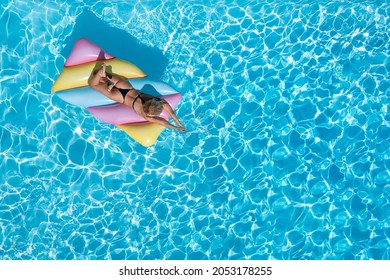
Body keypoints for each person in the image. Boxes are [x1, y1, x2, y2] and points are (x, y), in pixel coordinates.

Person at [88, 63, 186, 132]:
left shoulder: (158, 101)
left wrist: (179, 123)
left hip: (126, 87)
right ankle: (104, 79)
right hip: (120, 97)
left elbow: (172, 112)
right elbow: (163, 122)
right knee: (93, 85)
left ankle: (105, 79)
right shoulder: (146, 115)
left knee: (96, 72)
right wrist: (177, 127)